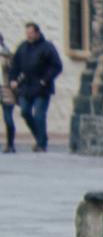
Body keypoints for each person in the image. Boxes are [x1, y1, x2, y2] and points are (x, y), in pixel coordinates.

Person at [9, 24, 61, 153]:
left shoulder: (47, 47)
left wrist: (45, 80)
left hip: (42, 88)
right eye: (27, 33)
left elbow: (57, 66)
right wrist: (13, 79)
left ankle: (41, 144)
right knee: (25, 112)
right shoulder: (23, 47)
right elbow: (14, 65)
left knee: (39, 115)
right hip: (26, 87)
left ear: (37, 33)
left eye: (31, 33)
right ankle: (40, 137)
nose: (28, 36)